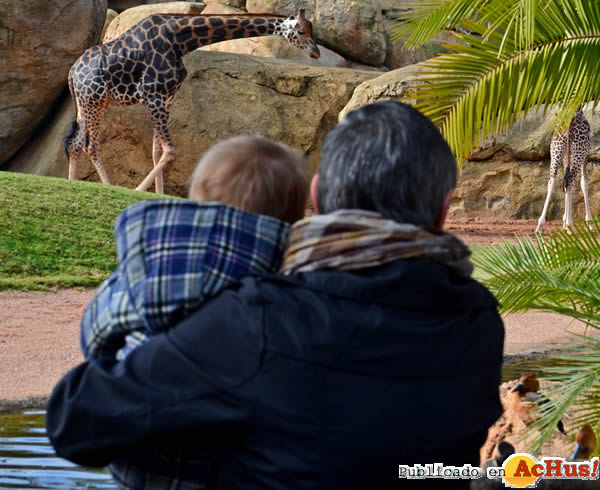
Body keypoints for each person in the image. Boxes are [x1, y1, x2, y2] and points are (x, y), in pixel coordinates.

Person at [47, 101, 504, 490]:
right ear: (444, 212)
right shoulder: (479, 323)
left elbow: (75, 422)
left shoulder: (261, 320)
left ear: (318, 197)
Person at [79, 134, 310, 490]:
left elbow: (93, 339)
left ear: (195, 199)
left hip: (144, 468)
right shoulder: (286, 294)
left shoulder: (139, 277)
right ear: (291, 221)